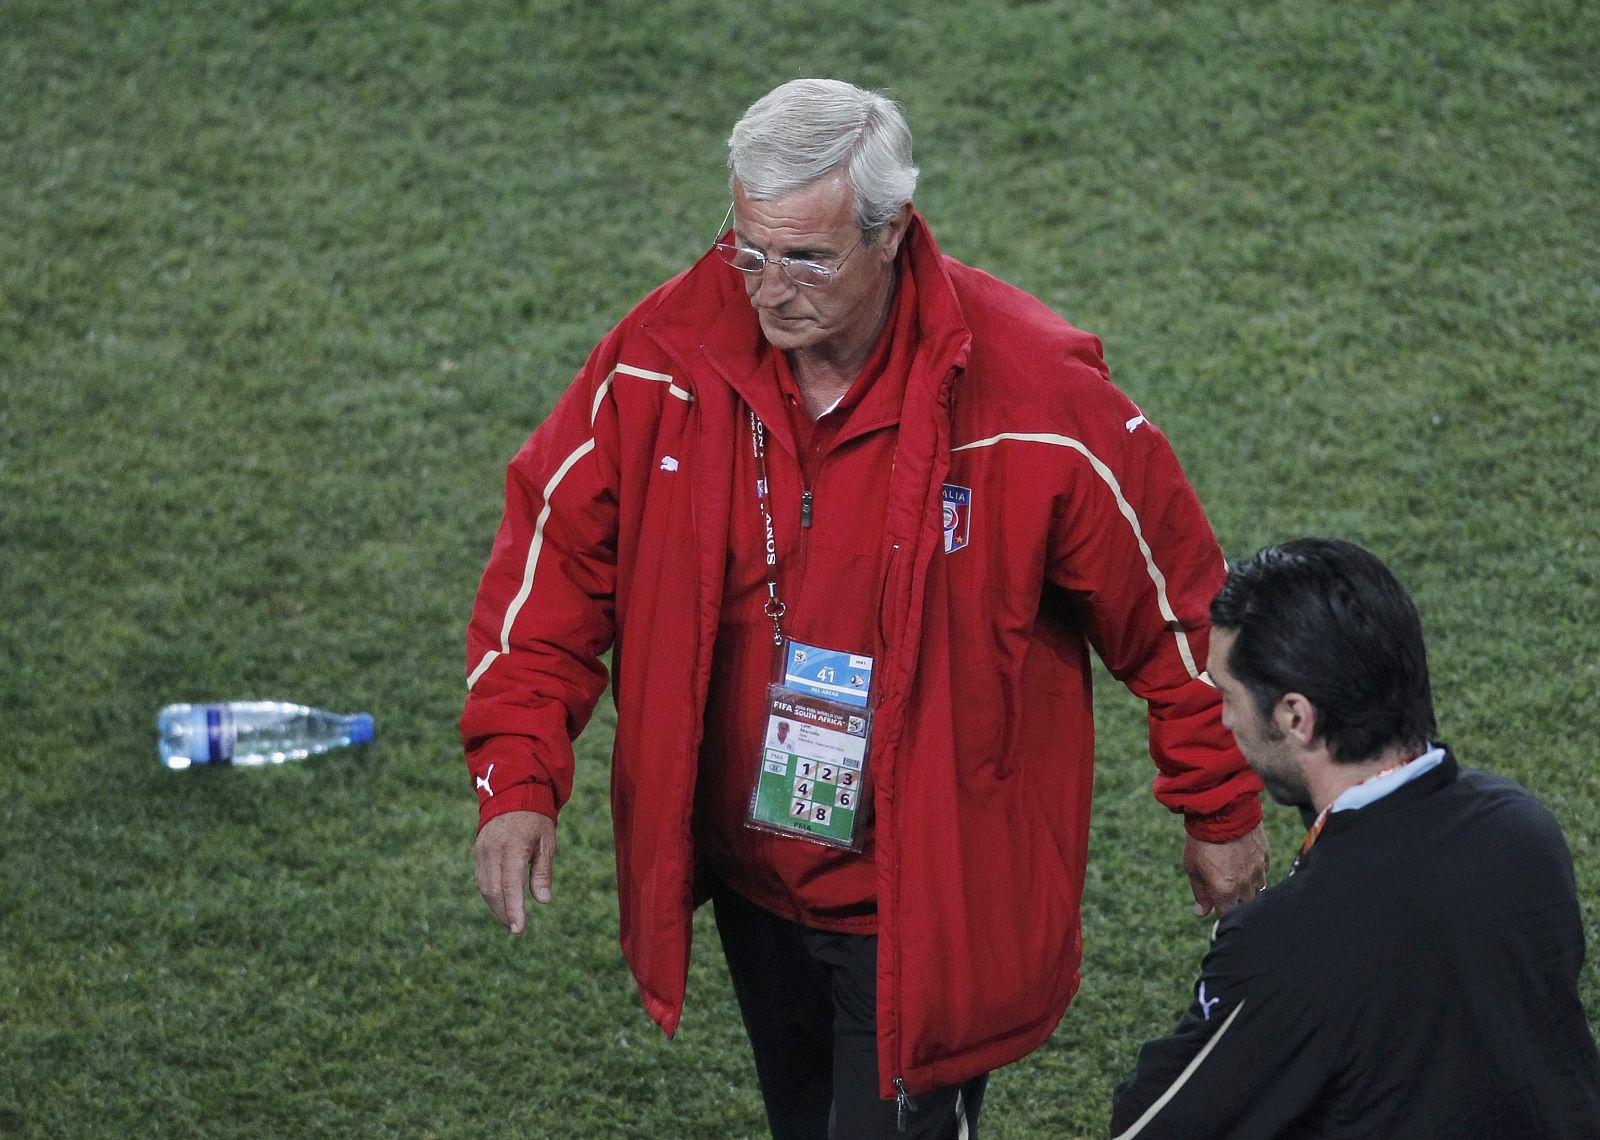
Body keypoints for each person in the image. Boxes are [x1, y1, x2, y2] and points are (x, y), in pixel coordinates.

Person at [463, 78, 1266, 1139]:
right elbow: (552, 564)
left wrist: (1218, 805)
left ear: (891, 235)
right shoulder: (659, 357)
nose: (767, 289)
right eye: (747, 250)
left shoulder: (1035, 395)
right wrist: (516, 770)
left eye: (806, 258)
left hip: (927, 893)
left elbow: (1174, 610)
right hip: (756, 875)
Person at [1111, 538, 1600, 1138]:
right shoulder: (1522, 830)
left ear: (1296, 717)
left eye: (1228, 696)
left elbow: (1150, 1125)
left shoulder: (1285, 943)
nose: (1225, 719)